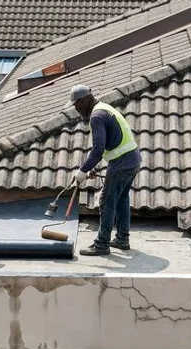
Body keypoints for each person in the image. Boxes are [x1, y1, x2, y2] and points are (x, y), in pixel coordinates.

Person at [67, 85, 141, 255]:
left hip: (123, 163)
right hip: (131, 160)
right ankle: (122, 239)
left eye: (76, 104)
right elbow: (112, 146)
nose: (76, 108)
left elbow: (98, 149)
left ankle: (102, 244)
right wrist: (91, 170)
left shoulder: (97, 116)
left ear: (84, 100)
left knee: (106, 201)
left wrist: (82, 171)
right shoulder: (104, 108)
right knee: (121, 199)